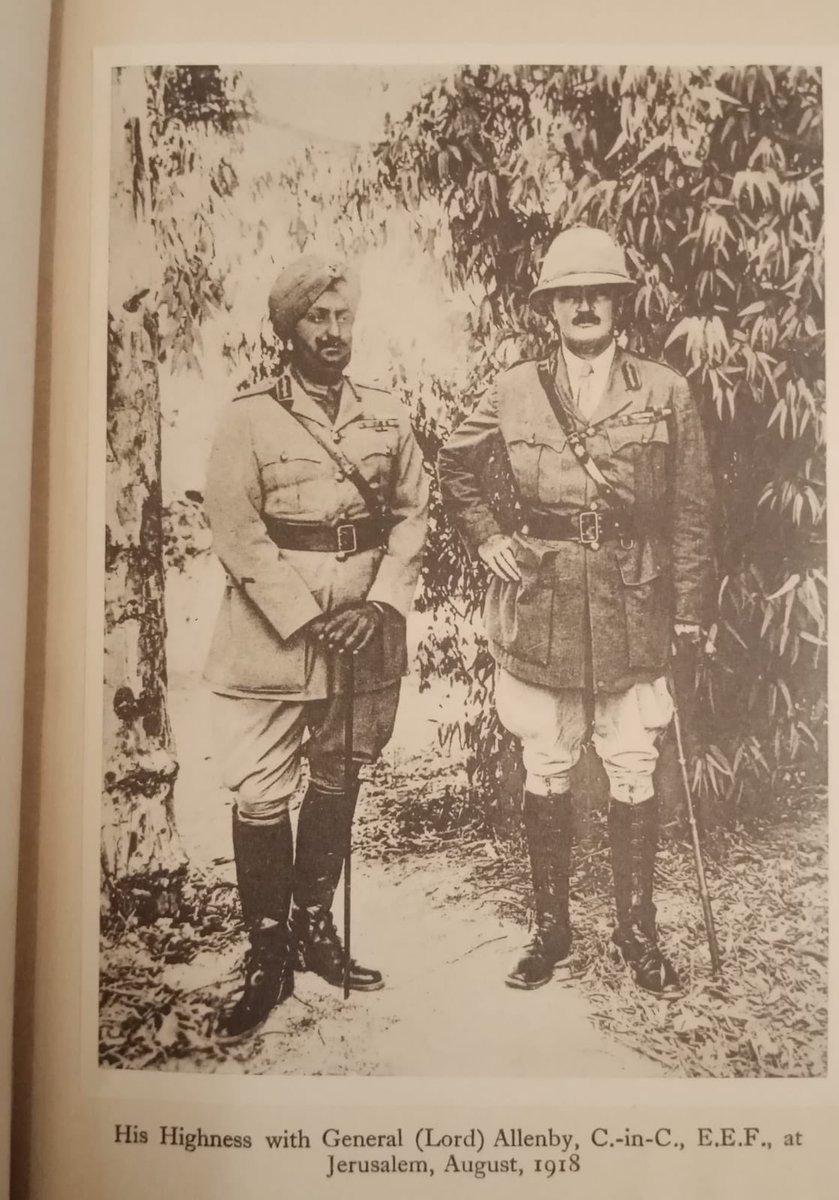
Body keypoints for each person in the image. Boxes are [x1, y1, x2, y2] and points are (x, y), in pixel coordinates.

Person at [438, 225, 714, 998]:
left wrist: (687, 610)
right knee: (547, 760)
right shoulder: (512, 388)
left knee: (631, 762)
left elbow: (692, 509)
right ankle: (550, 931)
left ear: (618, 304)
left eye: (599, 293)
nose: (585, 306)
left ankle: (636, 933)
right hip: (544, 601)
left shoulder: (662, 389)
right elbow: (453, 466)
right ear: (549, 310)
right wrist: (487, 536)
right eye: (569, 295)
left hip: (632, 599)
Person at [204, 252, 428, 1040]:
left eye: (343, 318)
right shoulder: (248, 417)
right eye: (317, 319)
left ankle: (311, 926)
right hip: (272, 636)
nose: (333, 334)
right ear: (287, 328)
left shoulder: (385, 414)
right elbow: (235, 530)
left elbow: (411, 516)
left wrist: (378, 602)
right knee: (262, 791)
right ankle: (267, 952)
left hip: (365, 631)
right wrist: (306, 616)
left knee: (339, 778)